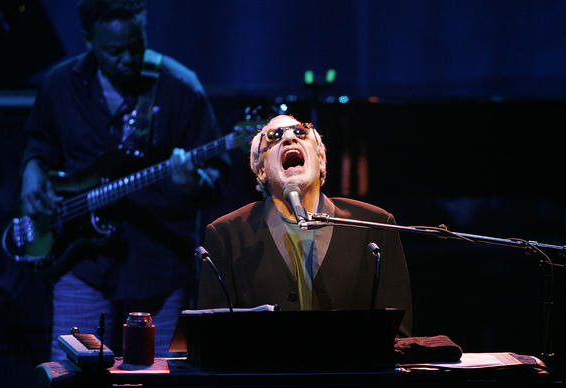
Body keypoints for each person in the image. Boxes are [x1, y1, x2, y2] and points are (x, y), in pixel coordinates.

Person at [20, 0, 229, 360]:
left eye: (136, 46)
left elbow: (216, 174)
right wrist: (31, 171)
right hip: (81, 264)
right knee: (73, 378)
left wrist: (190, 183)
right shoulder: (60, 84)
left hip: (159, 269)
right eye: (115, 52)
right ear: (88, 39)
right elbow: (39, 143)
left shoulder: (180, 87)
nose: (129, 59)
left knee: (160, 379)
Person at [197, 114, 412, 336]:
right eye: (274, 136)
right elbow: (211, 337)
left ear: (321, 160)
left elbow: (398, 336)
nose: (289, 137)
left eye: (301, 132)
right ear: (260, 171)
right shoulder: (226, 234)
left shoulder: (375, 226)